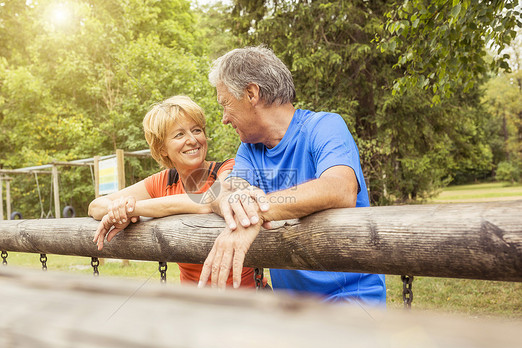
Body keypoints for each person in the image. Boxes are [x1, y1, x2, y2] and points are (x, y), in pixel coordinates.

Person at [198, 46, 386, 306]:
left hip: (351, 301)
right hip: (290, 309)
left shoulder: (325, 126)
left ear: (251, 94)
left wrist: (258, 211)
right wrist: (236, 203)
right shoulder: (250, 149)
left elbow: (340, 189)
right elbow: (220, 192)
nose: (224, 119)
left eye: (225, 104)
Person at [88, 95, 264, 288]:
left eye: (196, 130)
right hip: (194, 306)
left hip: (249, 301)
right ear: (162, 148)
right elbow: (96, 206)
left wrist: (134, 209)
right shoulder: (163, 181)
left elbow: (209, 201)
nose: (192, 140)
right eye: (179, 135)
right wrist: (119, 210)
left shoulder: (227, 168)